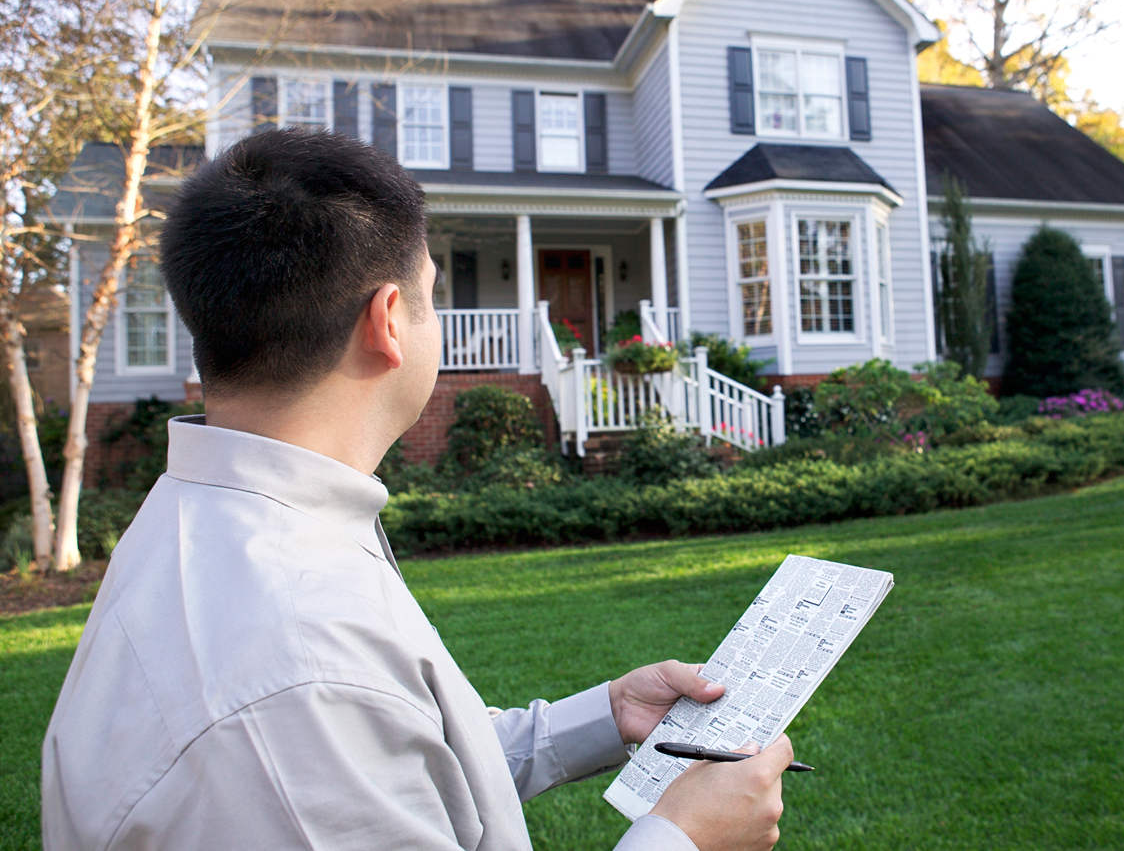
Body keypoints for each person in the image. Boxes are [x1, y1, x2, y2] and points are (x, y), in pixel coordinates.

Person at [42, 128, 792, 851]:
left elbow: (387, 768)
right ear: (390, 321)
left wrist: (605, 714)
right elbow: (320, 731)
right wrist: (683, 838)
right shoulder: (294, 669)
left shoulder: (227, 522)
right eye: (432, 294)